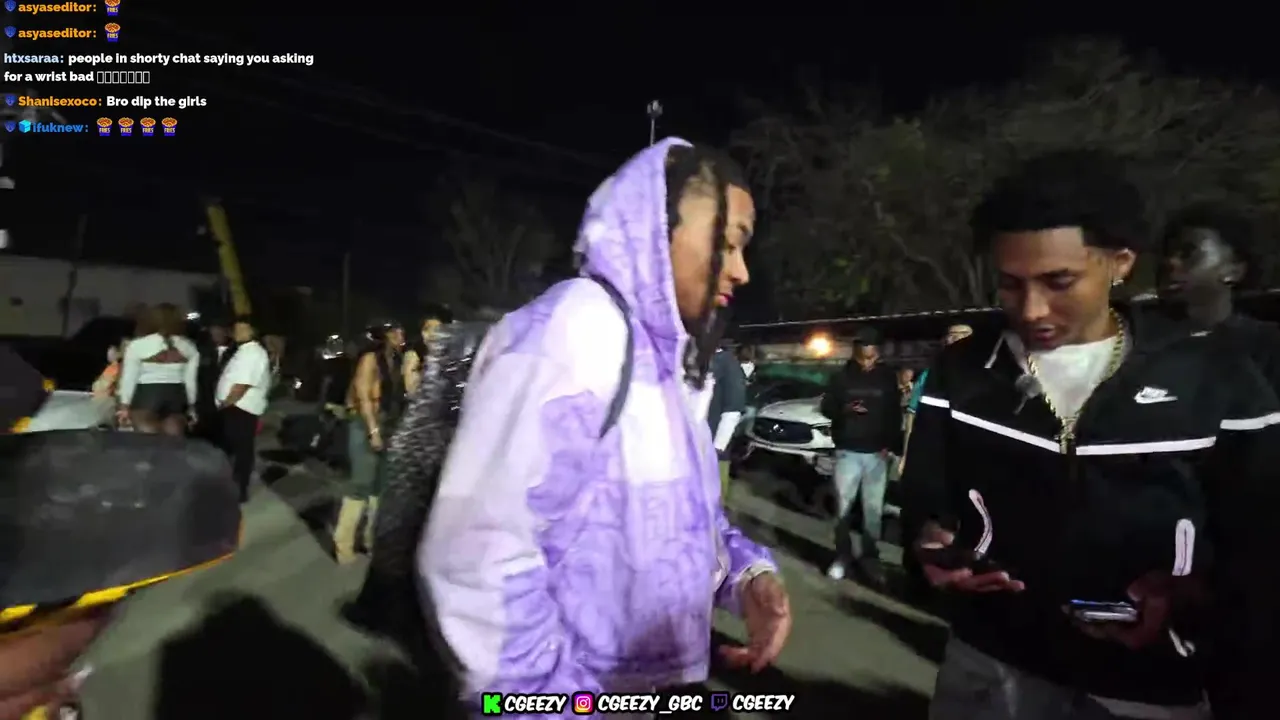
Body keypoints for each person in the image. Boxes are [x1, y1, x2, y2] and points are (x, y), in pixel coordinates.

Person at [902, 149, 1278, 720]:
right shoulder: (962, 370)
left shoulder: (1216, 379)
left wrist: (1190, 595)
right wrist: (929, 548)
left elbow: (1260, 542)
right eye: (1010, 284)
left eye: (1059, 281)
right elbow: (925, 499)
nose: (1032, 310)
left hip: (1145, 686)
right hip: (987, 664)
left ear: (1120, 263)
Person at [417, 139, 791, 709]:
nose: (740, 271)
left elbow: (681, 524)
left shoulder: (668, 364)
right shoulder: (576, 329)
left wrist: (743, 579)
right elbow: (476, 557)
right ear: (655, 230)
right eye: (728, 243)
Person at [1, 346, 241, 720]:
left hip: (147, 409)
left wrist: (127, 403)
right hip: (172, 412)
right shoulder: (186, 349)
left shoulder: (141, 349)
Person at [1159, 202, 1280, 390]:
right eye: (1166, 254)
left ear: (1234, 271)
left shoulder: (1267, 346)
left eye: (1188, 253)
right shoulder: (1133, 343)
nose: (1170, 262)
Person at [818, 327, 901, 584]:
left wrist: (891, 446)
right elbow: (826, 407)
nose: (866, 350)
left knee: (873, 512)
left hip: (877, 454)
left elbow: (894, 414)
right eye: (862, 346)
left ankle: (870, 558)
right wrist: (845, 408)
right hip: (847, 452)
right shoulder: (842, 376)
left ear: (876, 350)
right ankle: (842, 556)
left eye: (870, 346)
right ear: (856, 349)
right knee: (842, 509)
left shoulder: (887, 377)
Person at [332, 321, 406, 564]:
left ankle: (372, 540)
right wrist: (373, 430)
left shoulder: (397, 360)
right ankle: (343, 544)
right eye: (395, 332)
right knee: (361, 483)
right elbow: (362, 395)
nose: (400, 336)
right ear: (385, 336)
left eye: (402, 332)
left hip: (387, 423)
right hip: (363, 423)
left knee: (381, 487)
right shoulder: (370, 359)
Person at [117, 303, 200, 435]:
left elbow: (129, 378)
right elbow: (190, 381)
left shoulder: (137, 345)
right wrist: (191, 406)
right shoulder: (188, 346)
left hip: (146, 395)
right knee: (173, 440)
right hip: (176, 396)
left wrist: (124, 405)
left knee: (148, 440)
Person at [215, 316, 273, 503]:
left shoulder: (253, 352)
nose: (237, 332)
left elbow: (242, 384)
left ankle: (240, 489)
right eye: (236, 328)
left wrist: (227, 403)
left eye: (242, 329)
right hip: (235, 407)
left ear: (253, 332)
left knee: (241, 450)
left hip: (241, 407)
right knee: (237, 448)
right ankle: (234, 486)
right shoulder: (243, 350)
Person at [708, 343, 748, 503]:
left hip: (714, 449)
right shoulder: (698, 359)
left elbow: (733, 411)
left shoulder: (727, 362)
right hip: (693, 447)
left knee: (713, 500)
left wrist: (717, 448)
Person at [403, 308, 452, 395]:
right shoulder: (414, 355)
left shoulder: (448, 356)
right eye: (427, 329)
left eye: (437, 329)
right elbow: (411, 389)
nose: (432, 334)